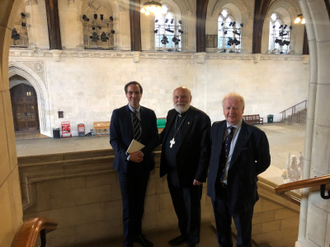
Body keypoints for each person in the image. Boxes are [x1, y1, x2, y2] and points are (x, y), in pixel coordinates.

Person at [207, 92, 271, 247]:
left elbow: (264, 162)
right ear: (223, 109)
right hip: (219, 191)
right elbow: (211, 153)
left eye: (235, 108)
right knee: (222, 233)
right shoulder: (216, 128)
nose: (231, 112)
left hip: (242, 193)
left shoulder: (256, 134)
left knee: (243, 235)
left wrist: (244, 174)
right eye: (228, 108)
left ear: (243, 109)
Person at [159, 86, 211, 247]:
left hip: (191, 174)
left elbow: (205, 150)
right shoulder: (171, 114)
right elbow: (165, 136)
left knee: (192, 210)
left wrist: (200, 175)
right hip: (172, 172)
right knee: (179, 207)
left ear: (190, 98)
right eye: (176, 97)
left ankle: (193, 241)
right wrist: (143, 144)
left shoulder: (201, 118)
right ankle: (184, 234)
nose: (179, 100)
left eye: (183, 97)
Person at [110, 81, 159, 247]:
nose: (133, 96)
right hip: (126, 167)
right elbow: (114, 140)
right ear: (126, 95)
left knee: (139, 205)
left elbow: (154, 139)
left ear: (141, 94)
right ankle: (128, 241)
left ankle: (138, 235)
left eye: (136, 93)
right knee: (128, 207)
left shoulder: (150, 114)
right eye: (130, 93)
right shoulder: (118, 114)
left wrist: (142, 153)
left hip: (143, 165)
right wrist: (128, 156)